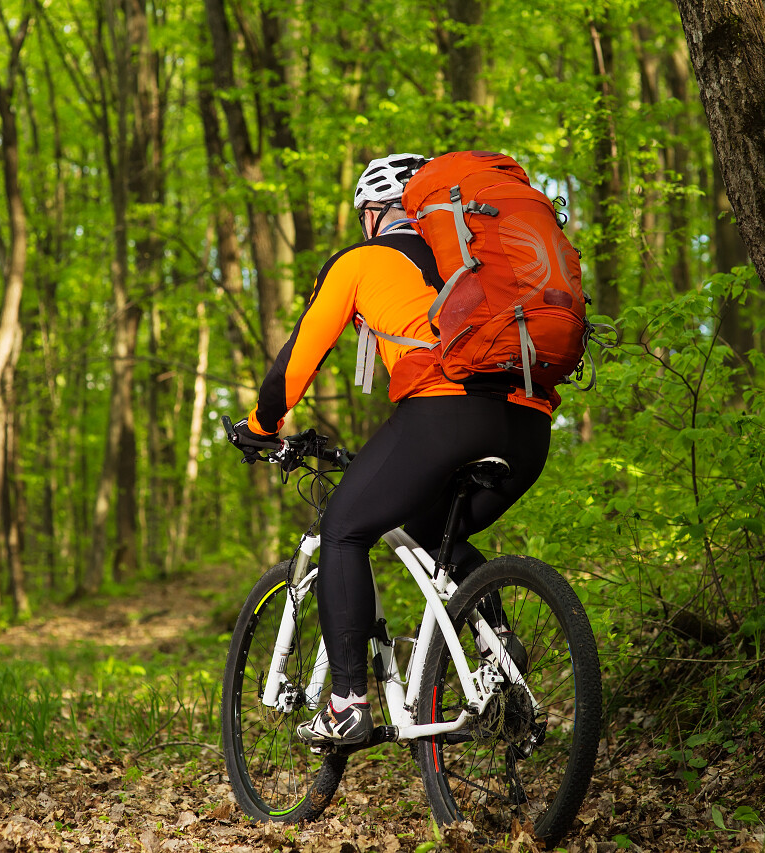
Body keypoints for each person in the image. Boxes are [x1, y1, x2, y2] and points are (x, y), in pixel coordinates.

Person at [230, 153, 559, 746]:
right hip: (530, 421)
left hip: (444, 414)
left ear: (376, 212)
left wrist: (260, 426)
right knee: (439, 538)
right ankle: (504, 669)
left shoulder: (363, 260)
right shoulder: (483, 262)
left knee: (344, 531)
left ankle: (346, 704)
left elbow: (296, 363)